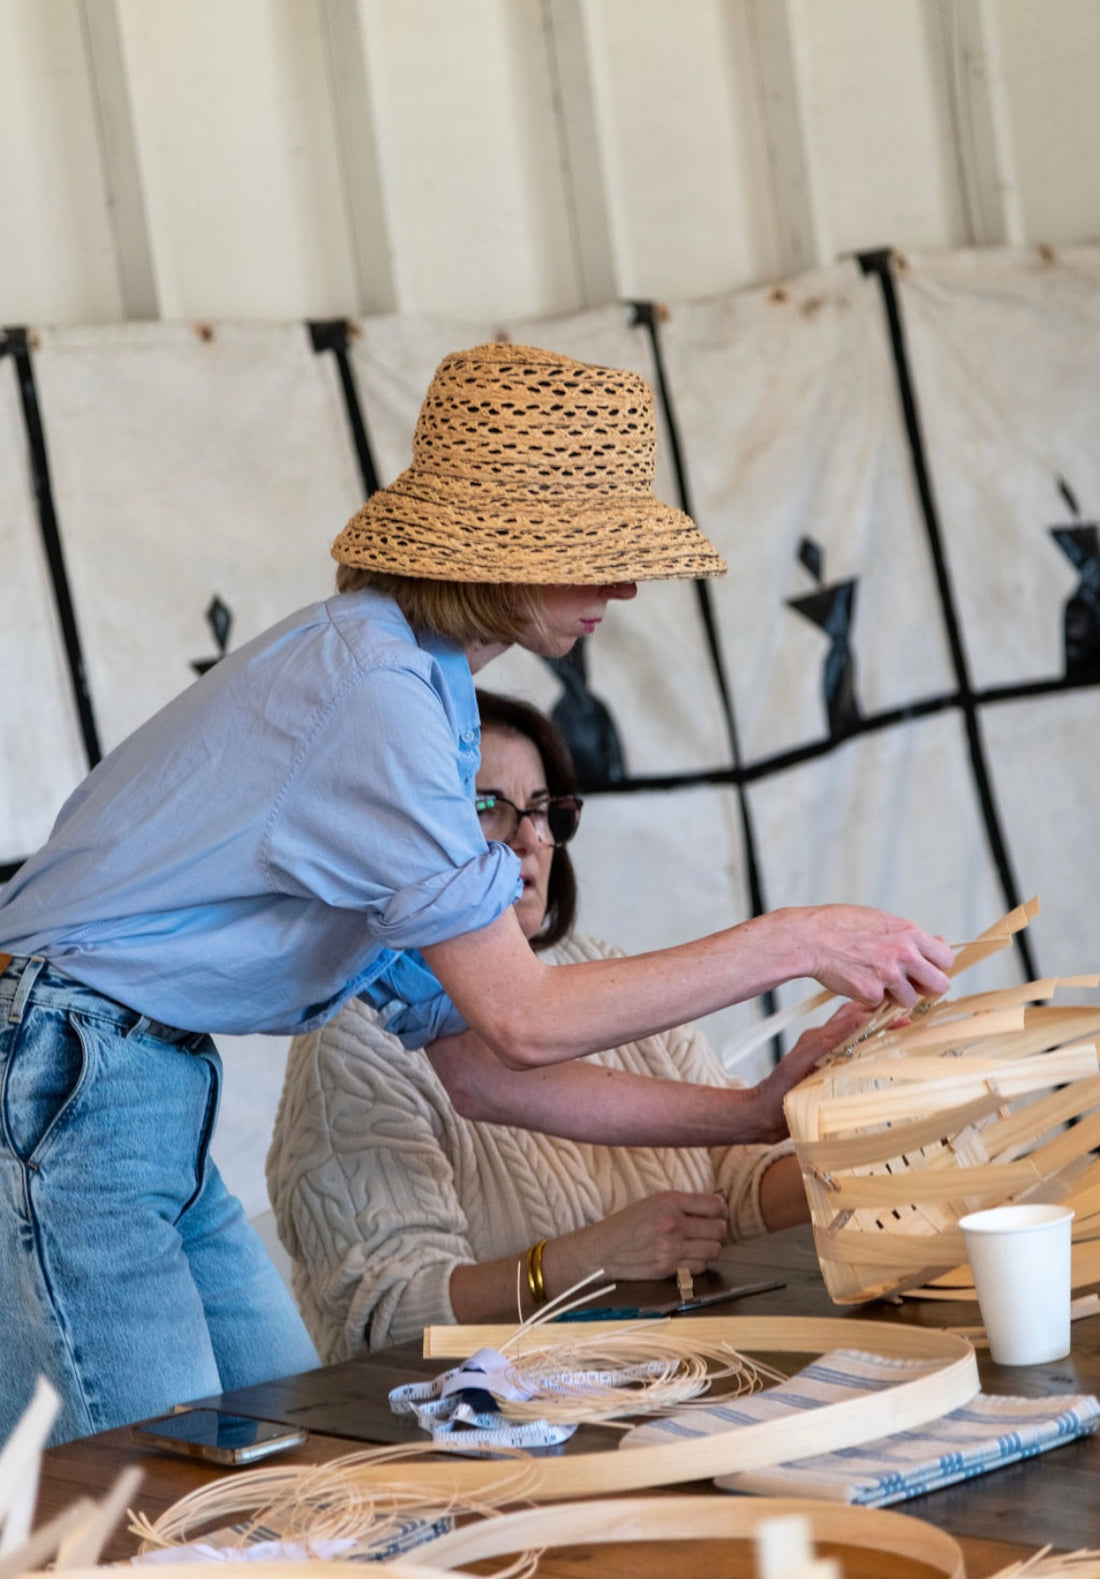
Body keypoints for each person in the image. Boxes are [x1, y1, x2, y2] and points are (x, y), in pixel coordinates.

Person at [0, 342, 952, 1444]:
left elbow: (482, 1065)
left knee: (282, 1448)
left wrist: (744, 1115)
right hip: (74, 1063)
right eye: (593, 553)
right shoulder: (377, 686)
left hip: (133, 1070)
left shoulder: (423, 685)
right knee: (139, 1487)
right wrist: (794, 935)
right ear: (502, 548)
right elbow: (525, 1016)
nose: (623, 587)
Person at [269, 690, 865, 1359]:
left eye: (543, 810)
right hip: (482, 1438)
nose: (528, 839)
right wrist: (583, 1258)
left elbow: (735, 1177)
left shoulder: (600, 969)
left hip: (670, 1378)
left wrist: (859, 1167)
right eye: (486, 807)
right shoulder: (359, 1036)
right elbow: (385, 1317)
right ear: (413, 833)